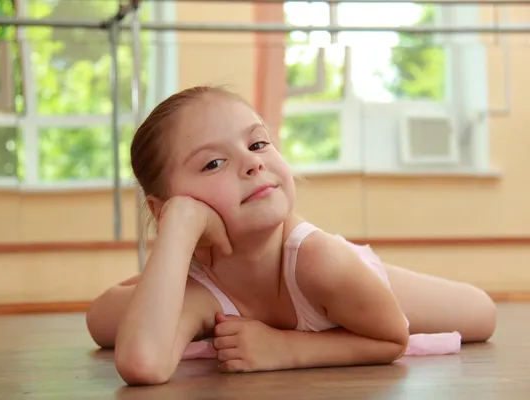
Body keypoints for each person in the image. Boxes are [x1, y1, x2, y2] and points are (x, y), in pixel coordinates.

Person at [85, 85, 496, 386]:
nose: (251, 163)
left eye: (259, 143)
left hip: (344, 291)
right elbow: (141, 362)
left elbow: (391, 337)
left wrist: (286, 349)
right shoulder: (198, 286)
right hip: (207, 265)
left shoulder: (323, 261)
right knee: (105, 322)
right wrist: (178, 225)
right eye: (213, 163)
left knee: (480, 315)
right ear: (164, 207)